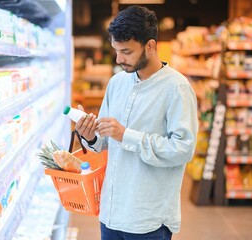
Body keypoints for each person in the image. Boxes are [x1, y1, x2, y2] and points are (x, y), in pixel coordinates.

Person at [75, 5, 198, 240]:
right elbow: (102, 141)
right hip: (111, 214)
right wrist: (89, 134)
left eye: (127, 51)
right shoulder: (117, 83)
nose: (119, 58)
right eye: (116, 50)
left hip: (148, 221)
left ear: (150, 46)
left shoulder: (177, 88)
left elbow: (183, 149)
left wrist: (126, 135)